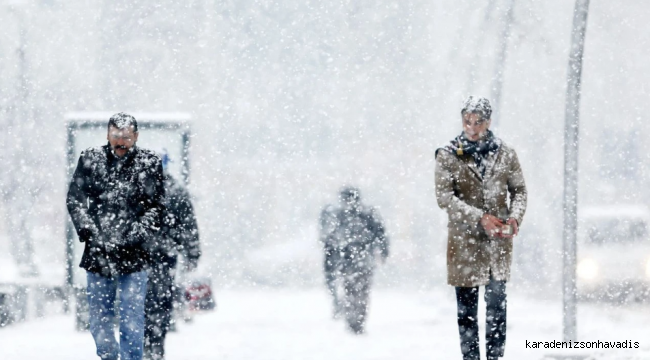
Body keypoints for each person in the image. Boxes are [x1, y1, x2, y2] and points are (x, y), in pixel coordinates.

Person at [435, 96, 527, 360]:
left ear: (488, 122)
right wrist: (479, 217)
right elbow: (444, 197)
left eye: (478, 122)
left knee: (497, 307)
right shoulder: (449, 154)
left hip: (498, 244)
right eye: (467, 121)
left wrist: (514, 218)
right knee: (466, 313)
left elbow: (519, 190)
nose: (472, 128)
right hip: (464, 245)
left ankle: (496, 357)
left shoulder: (505, 154)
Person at [67, 113, 165, 360]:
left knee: (132, 318)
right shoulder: (90, 159)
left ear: (136, 136)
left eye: (126, 137)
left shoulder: (149, 163)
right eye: (115, 136)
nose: (121, 141)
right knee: (100, 319)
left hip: (135, 253)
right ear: (107, 135)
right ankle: (108, 356)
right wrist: (89, 230)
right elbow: (75, 199)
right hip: (98, 254)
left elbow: (157, 206)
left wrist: (137, 232)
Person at [144, 153, 201, 360]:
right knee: (160, 303)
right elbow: (189, 227)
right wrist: (192, 254)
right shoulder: (176, 190)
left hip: (137, 259)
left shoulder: (135, 189)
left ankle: (143, 345)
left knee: (137, 303)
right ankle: (156, 346)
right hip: (164, 258)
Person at [318, 186, 389, 334]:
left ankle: (353, 319)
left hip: (349, 261)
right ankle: (357, 320)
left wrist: (332, 258)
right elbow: (381, 235)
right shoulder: (366, 214)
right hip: (362, 260)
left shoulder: (340, 215)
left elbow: (329, 240)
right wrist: (382, 252)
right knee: (360, 292)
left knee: (352, 290)